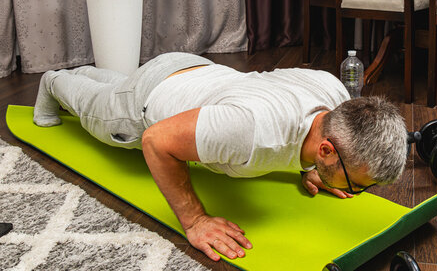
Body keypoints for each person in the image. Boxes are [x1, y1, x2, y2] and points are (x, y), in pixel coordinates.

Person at [33, 52, 408, 262]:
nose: (357, 192)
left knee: (112, 87)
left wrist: (312, 167)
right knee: (92, 108)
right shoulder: (250, 130)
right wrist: (195, 220)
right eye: (357, 184)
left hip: (195, 70)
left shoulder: (334, 92)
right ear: (327, 149)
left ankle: (92, 75)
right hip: (145, 103)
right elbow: (156, 140)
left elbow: (276, 89)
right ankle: (54, 80)